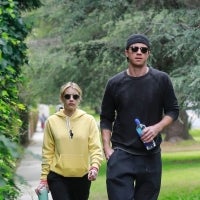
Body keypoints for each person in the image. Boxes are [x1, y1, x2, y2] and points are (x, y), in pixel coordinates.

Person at [100, 34, 179, 200]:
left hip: (150, 155)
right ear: (126, 53)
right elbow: (106, 118)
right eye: (134, 49)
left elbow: (173, 110)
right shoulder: (114, 83)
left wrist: (157, 128)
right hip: (121, 153)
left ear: (148, 53)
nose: (139, 52)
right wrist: (107, 148)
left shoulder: (161, 80)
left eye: (143, 49)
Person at [35, 82, 103, 200]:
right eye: (67, 96)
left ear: (79, 99)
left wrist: (95, 166)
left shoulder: (89, 120)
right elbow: (47, 152)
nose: (71, 99)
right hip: (57, 176)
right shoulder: (52, 121)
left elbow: (95, 148)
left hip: (82, 177)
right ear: (62, 98)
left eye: (75, 96)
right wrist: (43, 179)